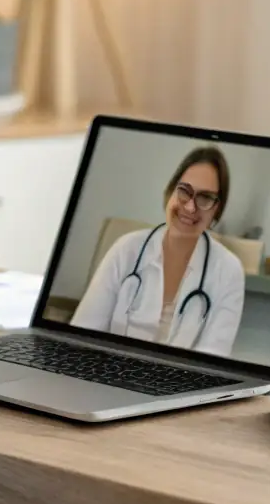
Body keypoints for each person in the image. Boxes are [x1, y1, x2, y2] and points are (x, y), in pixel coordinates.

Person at [70, 146, 246, 356]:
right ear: (170, 191)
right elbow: (82, 336)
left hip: (182, 384)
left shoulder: (228, 270)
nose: (190, 207)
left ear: (217, 209)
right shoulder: (126, 250)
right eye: (184, 191)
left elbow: (213, 358)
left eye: (205, 198)